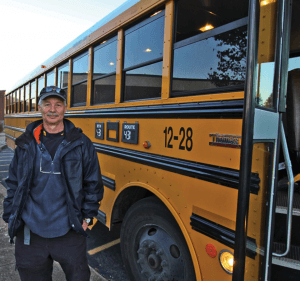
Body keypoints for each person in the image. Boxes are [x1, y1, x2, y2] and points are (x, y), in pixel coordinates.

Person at [2, 86, 104, 281]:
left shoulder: (81, 143)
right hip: (30, 233)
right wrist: (10, 214)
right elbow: (14, 181)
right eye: (47, 104)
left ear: (65, 108)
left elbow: (93, 184)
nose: (52, 109)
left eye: (58, 104)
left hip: (69, 230)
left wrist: (87, 218)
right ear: (39, 108)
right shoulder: (25, 143)